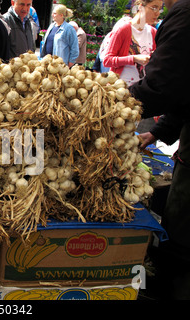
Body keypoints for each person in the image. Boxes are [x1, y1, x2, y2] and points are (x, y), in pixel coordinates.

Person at [128, 0, 190, 299]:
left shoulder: (187, 12)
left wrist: (110, 103)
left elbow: (164, 86)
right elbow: (185, 88)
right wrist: (156, 133)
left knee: (183, 244)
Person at [103, 0, 161, 86]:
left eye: (160, 9)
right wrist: (134, 59)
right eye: (154, 8)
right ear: (141, 7)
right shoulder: (123, 29)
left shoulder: (153, 32)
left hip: (143, 89)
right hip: (120, 89)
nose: (157, 13)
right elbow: (107, 60)